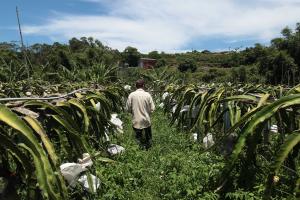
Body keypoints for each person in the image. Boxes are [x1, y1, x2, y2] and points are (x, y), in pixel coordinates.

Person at [126, 79, 155, 149]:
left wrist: (133, 112)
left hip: (136, 120)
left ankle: (139, 149)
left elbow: (128, 108)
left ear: (136, 86)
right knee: (148, 137)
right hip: (146, 119)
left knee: (138, 137)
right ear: (143, 86)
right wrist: (148, 113)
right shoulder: (147, 95)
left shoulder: (131, 95)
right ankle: (149, 148)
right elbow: (153, 108)